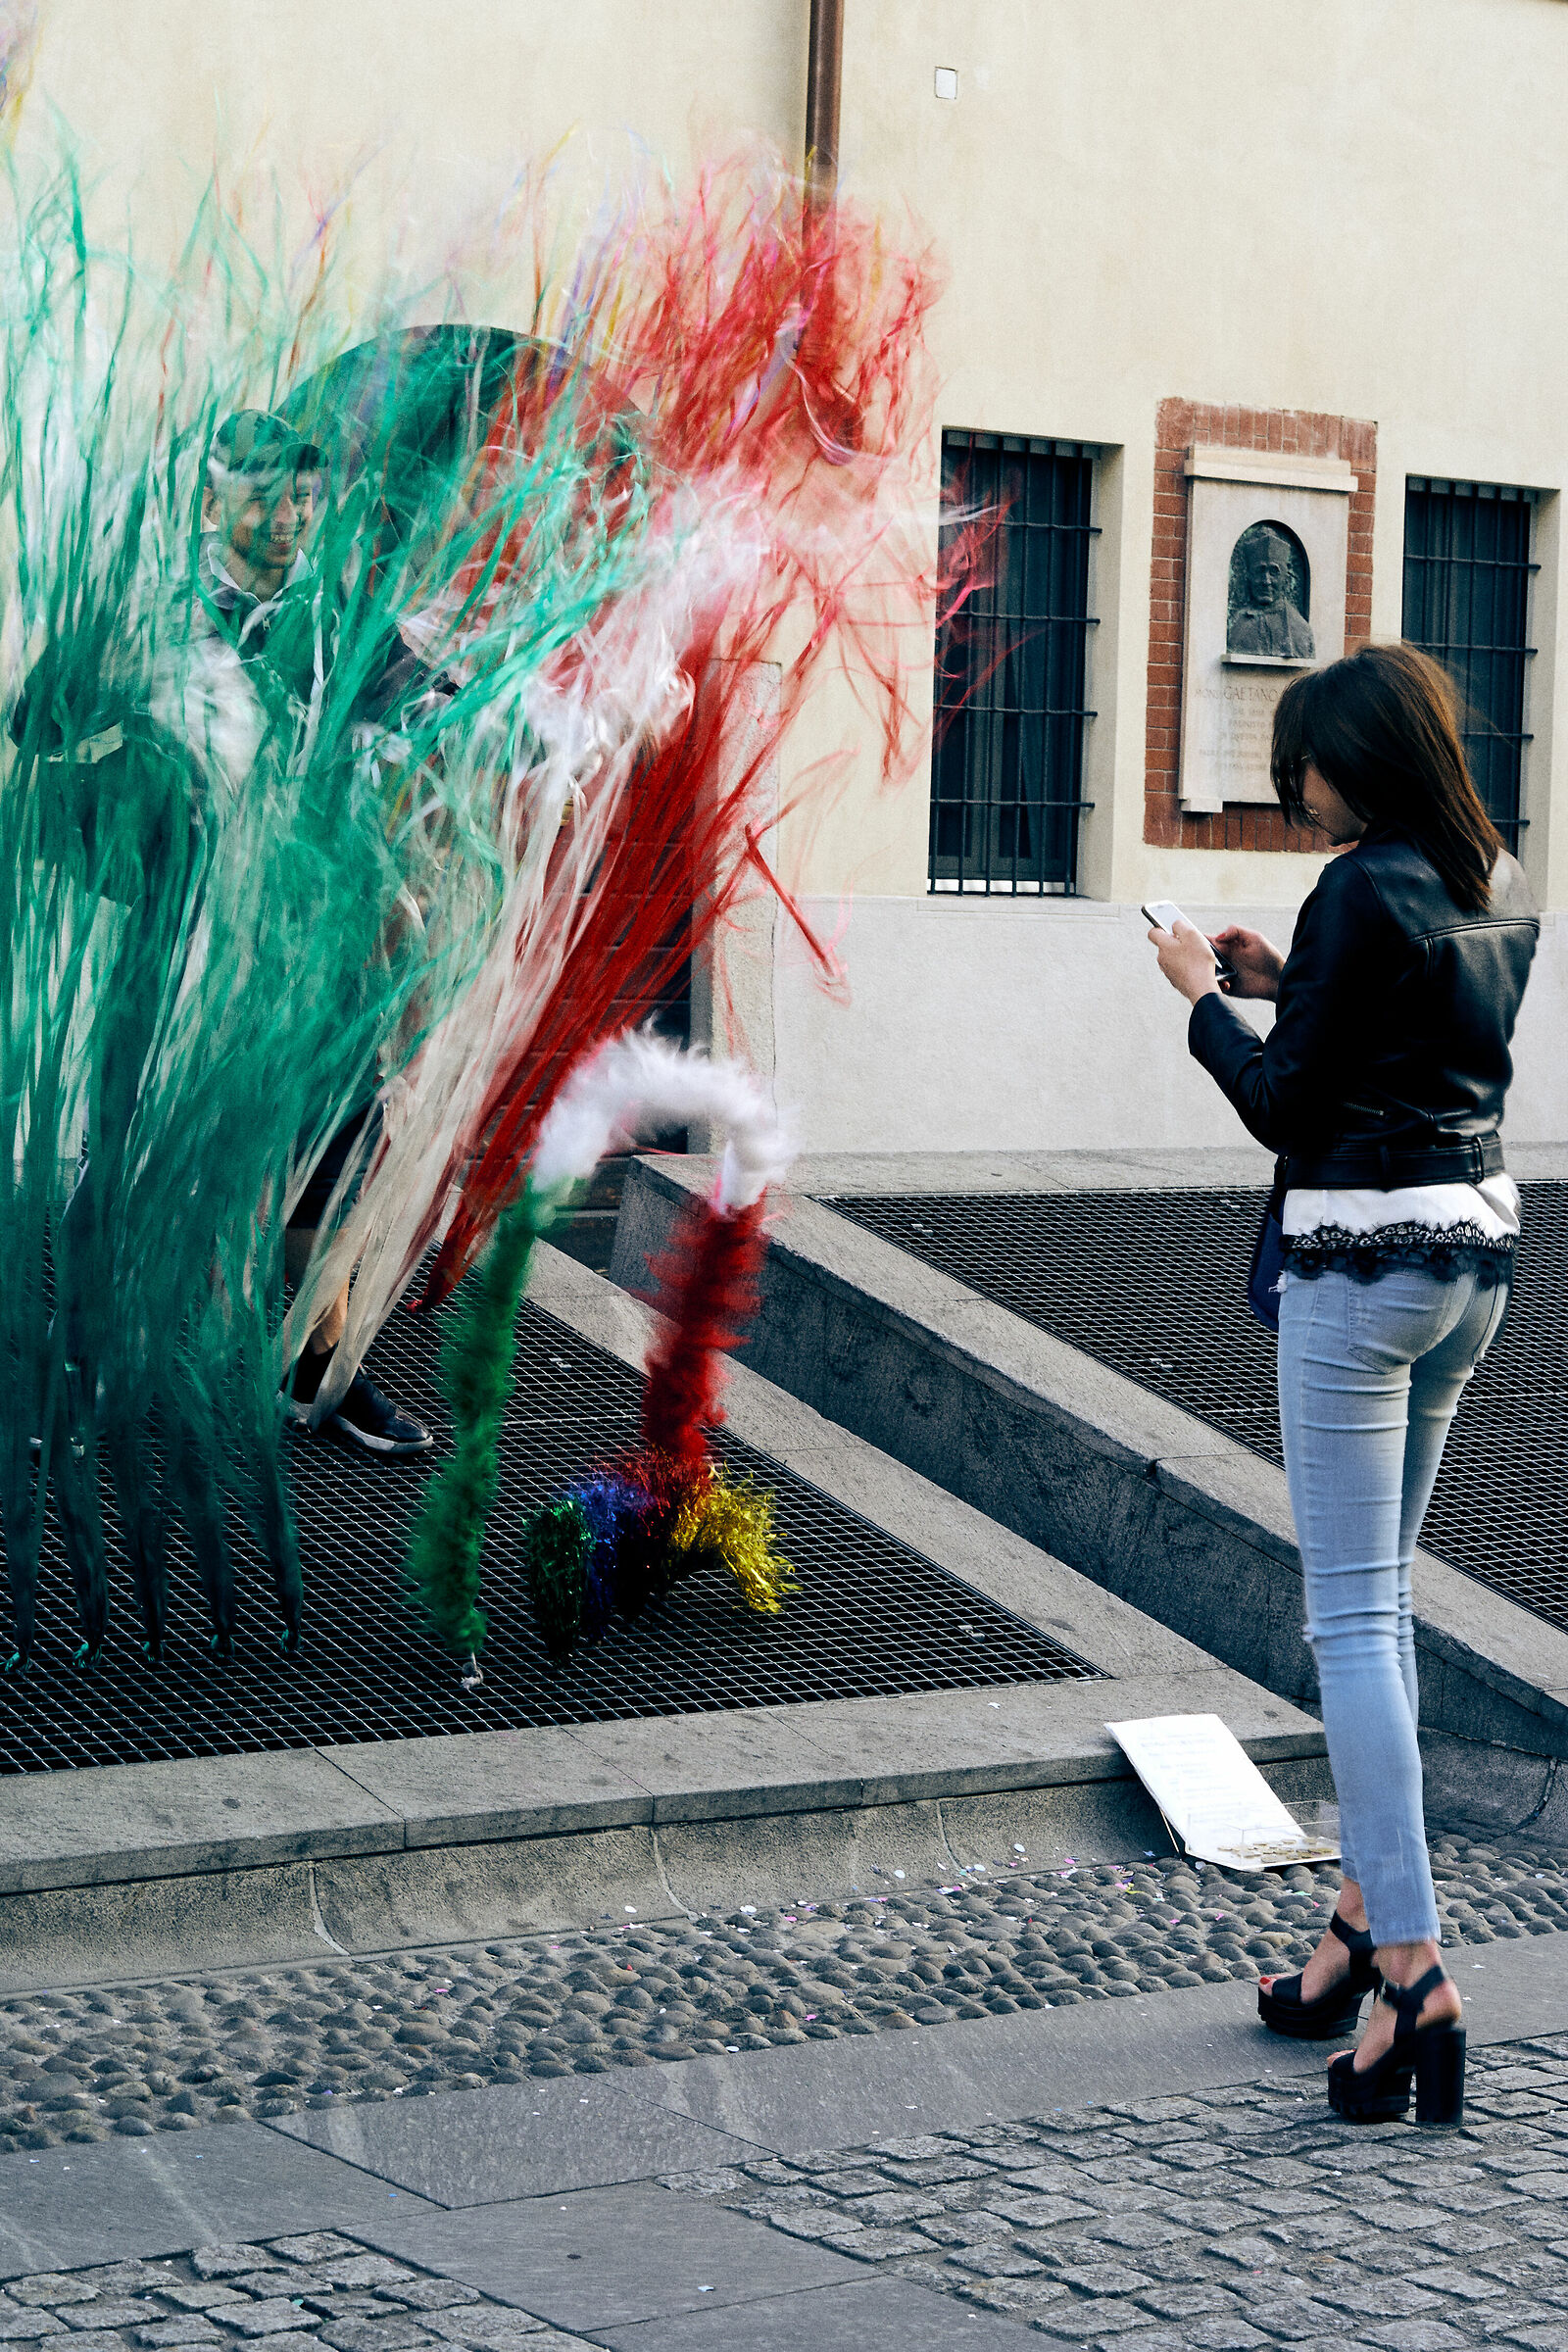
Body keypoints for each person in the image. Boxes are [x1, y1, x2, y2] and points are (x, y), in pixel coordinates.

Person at [1149, 641, 1537, 2127]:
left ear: (1351, 766)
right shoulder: (1463, 881)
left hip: (1359, 1271)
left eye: (1303, 765)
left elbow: (1284, 1106)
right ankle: (1360, 1928)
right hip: (1470, 1270)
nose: (1292, 790)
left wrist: (1199, 996)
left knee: (1354, 1621)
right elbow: (1387, 1037)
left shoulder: (1356, 884)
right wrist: (1278, 976)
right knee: (1386, 1608)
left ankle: (1416, 1972)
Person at [195, 409, 432, 1458]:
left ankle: (319, 1362)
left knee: (337, 1139)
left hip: (329, 931)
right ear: (213, 501)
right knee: (201, 1145)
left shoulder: (333, 622)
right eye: (265, 495)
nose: (288, 515)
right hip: (204, 944)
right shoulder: (174, 625)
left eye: (301, 496)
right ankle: (157, 1349)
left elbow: (425, 717)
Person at [1228, 527, 1314, 659]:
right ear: (1249, 574)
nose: (1266, 581)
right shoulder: (1236, 628)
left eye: (1274, 572)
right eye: (1259, 571)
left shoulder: (1301, 631)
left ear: (1286, 575)